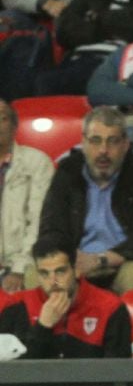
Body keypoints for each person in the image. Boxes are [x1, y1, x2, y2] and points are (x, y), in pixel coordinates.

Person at [38, 106, 133, 294]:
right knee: (35, 274)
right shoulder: (67, 172)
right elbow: (51, 228)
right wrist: (67, 259)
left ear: (126, 145)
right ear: (83, 142)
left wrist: (102, 259)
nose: (103, 150)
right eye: (95, 141)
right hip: (79, 262)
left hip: (127, 261)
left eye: (112, 142)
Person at [0, 238, 132, 358]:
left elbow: (117, 372)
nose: (53, 282)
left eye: (60, 271)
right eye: (44, 273)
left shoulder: (110, 308)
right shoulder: (18, 306)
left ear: (77, 270)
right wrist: (43, 327)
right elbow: (12, 375)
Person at [35, 0, 133, 96]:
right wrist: (107, 26)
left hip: (115, 59)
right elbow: (64, 33)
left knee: (53, 81)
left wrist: (94, 19)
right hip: (78, 57)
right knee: (43, 80)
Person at [0, 99, 54, 293]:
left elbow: (40, 222)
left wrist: (19, 269)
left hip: (24, 261)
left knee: (34, 279)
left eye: (2, 118)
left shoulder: (37, 163)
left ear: (15, 126)